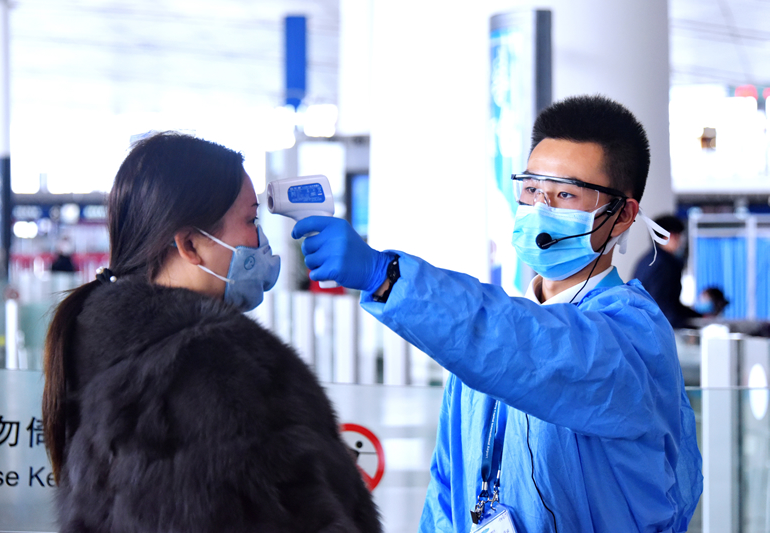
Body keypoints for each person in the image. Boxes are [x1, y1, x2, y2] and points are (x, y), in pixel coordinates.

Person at [293, 96, 703, 532]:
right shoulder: (486, 343)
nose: (540, 208)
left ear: (622, 216)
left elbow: (543, 352)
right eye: (531, 189)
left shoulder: (632, 337)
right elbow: (447, 488)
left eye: (566, 194)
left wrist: (387, 277)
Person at [42, 133, 380, 533]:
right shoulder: (223, 372)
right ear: (190, 245)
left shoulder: (94, 343)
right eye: (252, 221)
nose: (260, 241)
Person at [633, 214, 701, 328]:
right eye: (678, 236)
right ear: (668, 237)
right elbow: (663, 306)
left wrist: (697, 317)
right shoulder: (663, 264)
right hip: (657, 328)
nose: (680, 241)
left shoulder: (648, 260)